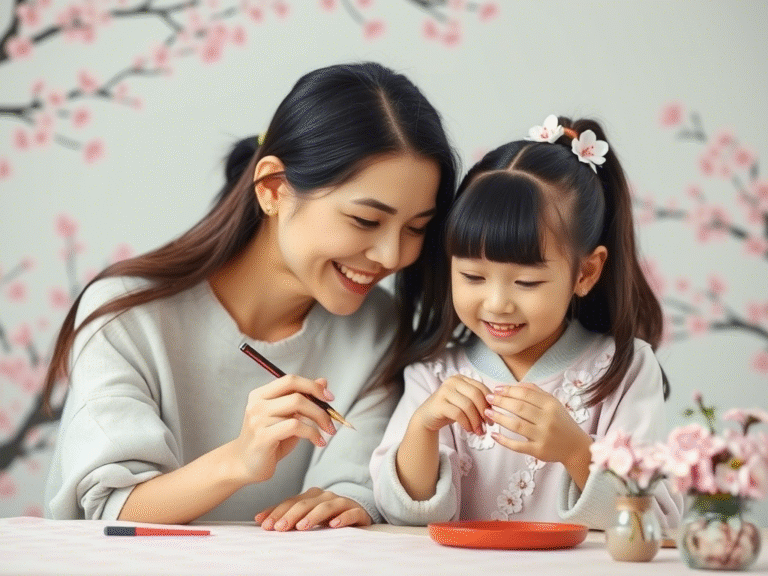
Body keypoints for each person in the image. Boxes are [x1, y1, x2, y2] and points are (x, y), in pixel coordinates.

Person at [42, 62, 458, 530]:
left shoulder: (380, 327)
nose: (391, 254)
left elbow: (355, 490)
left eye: (416, 228)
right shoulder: (125, 314)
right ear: (274, 188)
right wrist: (239, 460)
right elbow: (108, 511)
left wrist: (352, 501)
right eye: (365, 221)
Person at [370, 115, 683, 530]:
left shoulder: (623, 371)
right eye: (473, 277)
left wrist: (575, 451)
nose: (497, 304)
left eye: (526, 282)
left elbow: (658, 519)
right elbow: (401, 513)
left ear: (585, 273)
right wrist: (424, 428)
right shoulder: (434, 377)